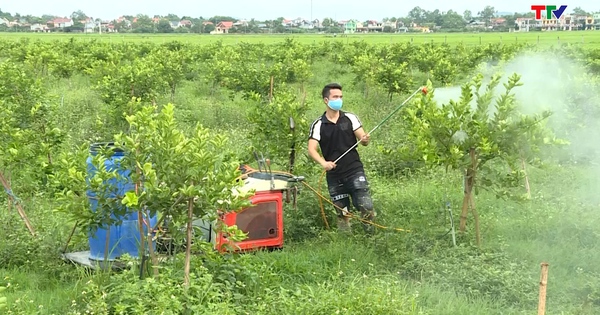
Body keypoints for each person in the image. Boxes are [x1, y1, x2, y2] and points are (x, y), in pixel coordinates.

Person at [307, 82, 375, 234]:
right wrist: (323, 163)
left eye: (340, 97)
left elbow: (363, 140)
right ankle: (347, 242)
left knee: (366, 205)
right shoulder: (318, 124)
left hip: (354, 170)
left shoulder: (350, 118)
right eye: (335, 96)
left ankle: (370, 237)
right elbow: (312, 149)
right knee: (342, 213)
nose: (339, 99)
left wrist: (365, 140)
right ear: (326, 100)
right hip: (334, 175)